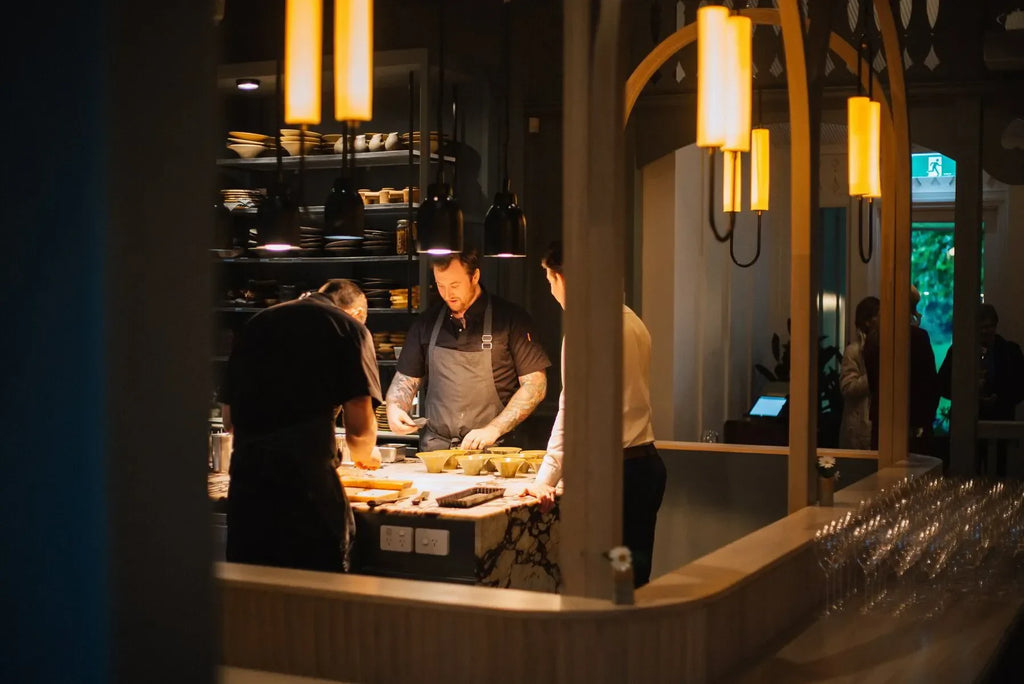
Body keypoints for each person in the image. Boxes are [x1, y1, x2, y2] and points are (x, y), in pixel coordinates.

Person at [522, 241, 667, 588]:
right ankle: (631, 639)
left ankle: (609, 640)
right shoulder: (632, 321)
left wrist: (546, 478)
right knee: (630, 579)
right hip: (644, 467)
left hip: (614, 477)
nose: (550, 288)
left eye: (549, 279)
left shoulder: (589, 330)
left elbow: (571, 411)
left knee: (606, 582)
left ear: (563, 278)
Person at [220, 281, 382, 573]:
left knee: (251, 606)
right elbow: (359, 433)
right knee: (315, 609)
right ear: (357, 312)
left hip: (248, 494)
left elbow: (230, 420)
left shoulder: (257, 323)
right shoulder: (349, 328)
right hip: (307, 498)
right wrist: (367, 455)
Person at [385, 249, 550, 451]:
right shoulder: (426, 323)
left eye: (454, 285)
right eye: (440, 285)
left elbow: (535, 386)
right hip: (436, 452)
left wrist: (494, 429)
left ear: (475, 276)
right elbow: (405, 380)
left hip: (493, 452)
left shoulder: (511, 319)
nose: (447, 294)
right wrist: (395, 408)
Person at [938, 304, 1024, 476]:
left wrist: (999, 398)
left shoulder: (1010, 351)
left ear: (996, 325)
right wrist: (969, 396)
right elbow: (942, 383)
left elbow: (1020, 386)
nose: (986, 331)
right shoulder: (959, 351)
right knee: (966, 475)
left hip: (1000, 422)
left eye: (990, 326)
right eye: (982, 327)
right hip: (967, 426)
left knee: (999, 476)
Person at [863, 285, 940, 454]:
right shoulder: (918, 338)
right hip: (913, 422)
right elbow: (929, 384)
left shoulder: (873, 339)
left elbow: (873, 383)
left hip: (883, 422)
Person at [839, 296, 879, 450]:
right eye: (879, 316)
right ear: (868, 321)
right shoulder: (854, 351)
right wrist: (876, 375)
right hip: (858, 429)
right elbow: (847, 387)